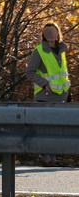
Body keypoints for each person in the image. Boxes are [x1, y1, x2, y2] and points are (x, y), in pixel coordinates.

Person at [26, 22, 71, 166]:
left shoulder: (62, 49)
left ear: (58, 33)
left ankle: (53, 158)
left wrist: (67, 91)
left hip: (61, 95)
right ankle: (45, 157)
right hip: (44, 95)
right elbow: (30, 72)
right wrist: (45, 84)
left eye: (53, 32)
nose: (51, 35)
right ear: (44, 35)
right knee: (45, 128)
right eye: (48, 33)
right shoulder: (39, 51)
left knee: (55, 128)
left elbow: (62, 73)